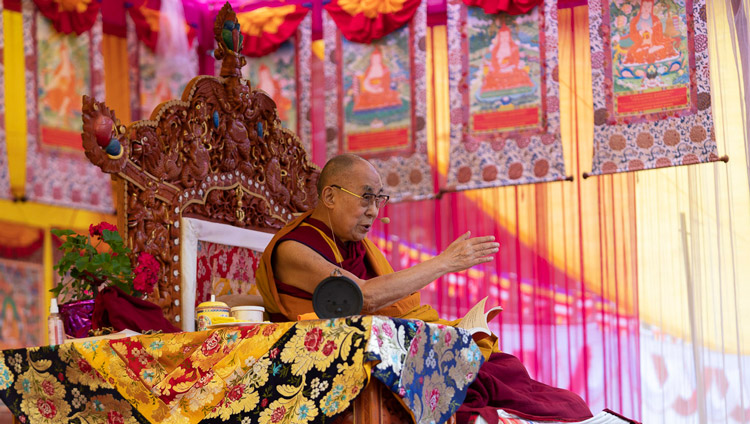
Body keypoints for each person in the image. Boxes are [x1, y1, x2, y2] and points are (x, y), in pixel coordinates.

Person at [237, 154, 593, 423]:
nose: (374, 211)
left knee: (513, 376)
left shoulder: (353, 245)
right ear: (329, 196)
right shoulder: (293, 249)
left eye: (379, 199)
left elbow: (389, 307)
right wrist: (444, 263)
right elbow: (365, 296)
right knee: (474, 395)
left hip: (390, 347)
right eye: (365, 198)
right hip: (350, 362)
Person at [622, 0, 679, 65]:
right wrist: (640, 32)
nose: (646, 9)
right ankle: (648, 51)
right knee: (632, 53)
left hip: (654, 43)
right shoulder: (635, 21)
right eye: (644, 6)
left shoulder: (655, 19)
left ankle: (650, 50)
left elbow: (659, 35)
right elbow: (632, 36)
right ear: (641, 7)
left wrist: (650, 31)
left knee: (668, 46)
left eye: (649, 7)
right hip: (641, 44)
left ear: (651, 8)